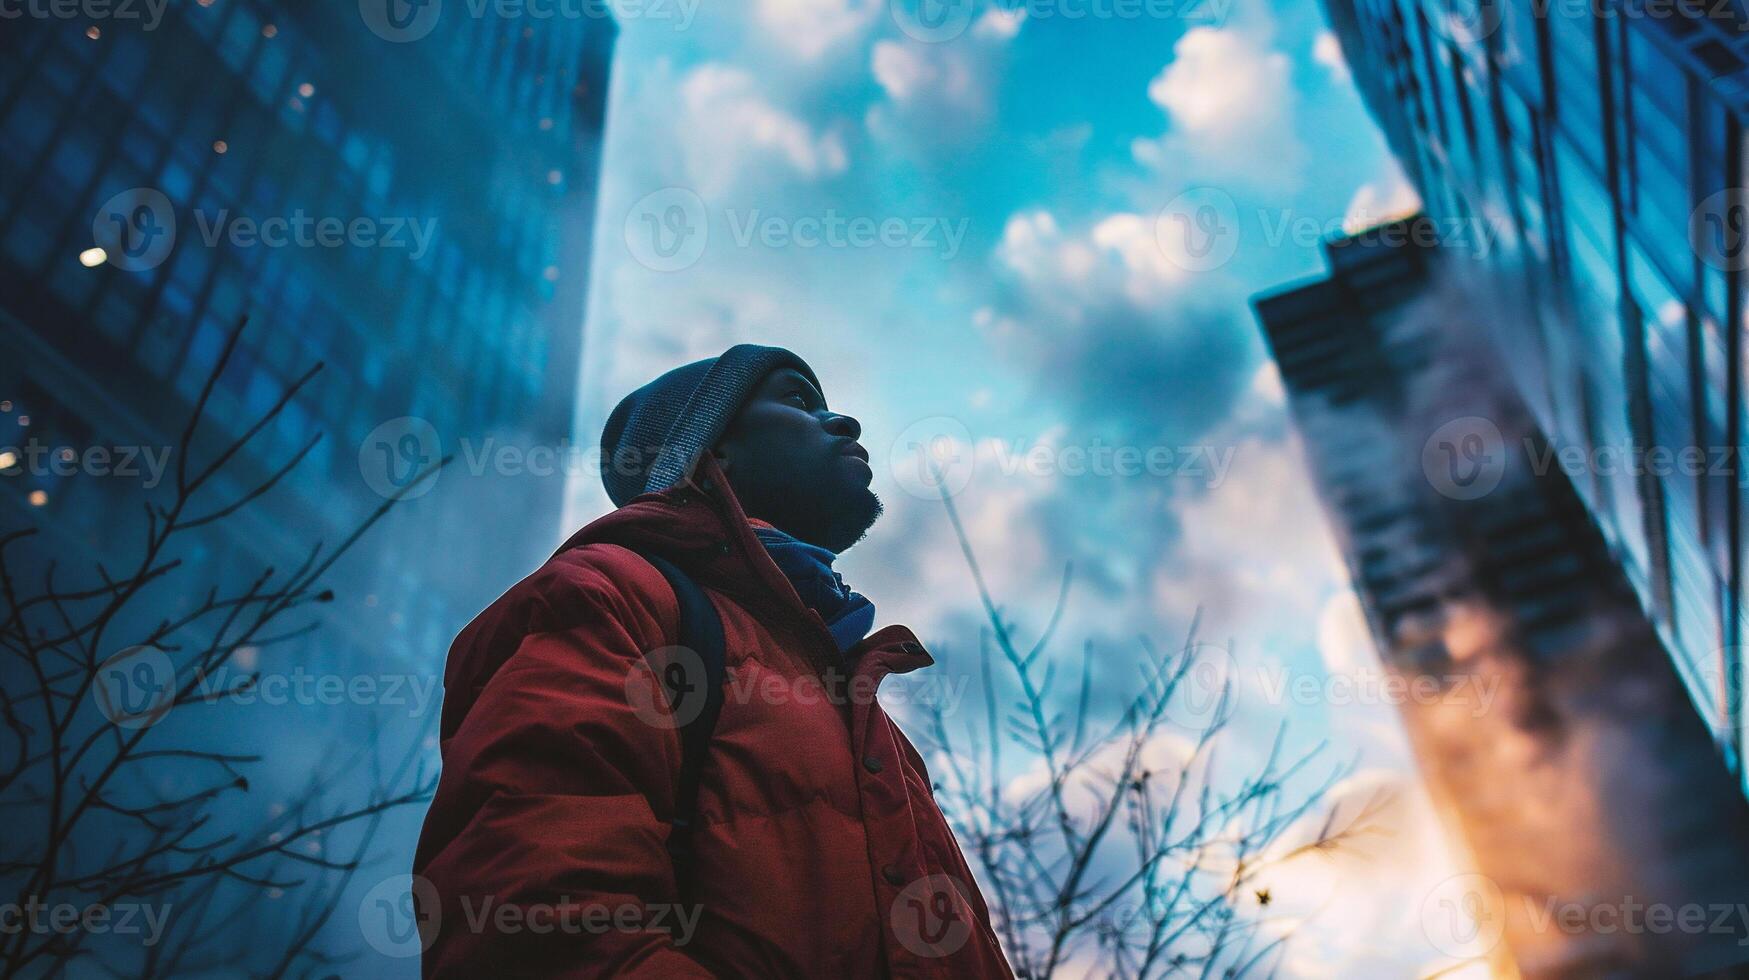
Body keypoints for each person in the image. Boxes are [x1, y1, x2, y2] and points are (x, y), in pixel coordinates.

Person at [412, 345, 1014, 978]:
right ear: (708, 453)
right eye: (798, 401)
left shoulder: (856, 704)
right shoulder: (610, 596)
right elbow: (539, 921)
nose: (845, 423)